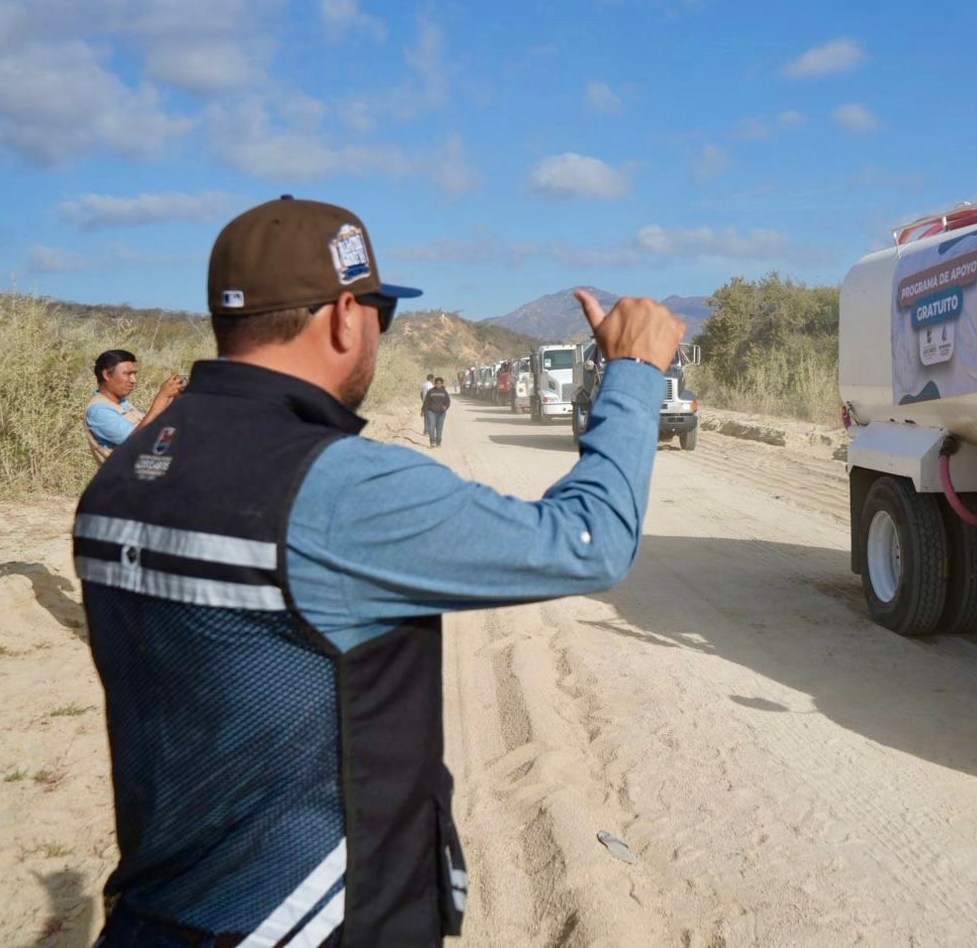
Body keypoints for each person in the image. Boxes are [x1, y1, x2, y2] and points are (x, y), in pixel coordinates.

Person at [75, 196, 684, 945]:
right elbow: (590, 540)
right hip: (316, 921)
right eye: (379, 316)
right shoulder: (337, 485)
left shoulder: (127, 469)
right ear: (341, 316)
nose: (376, 334)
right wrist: (634, 373)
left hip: (152, 912)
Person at [85, 349, 184, 463]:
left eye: (134, 374)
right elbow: (138, 442)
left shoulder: (122, 404)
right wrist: (163, 397)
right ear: (107, 374)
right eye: (127, 374)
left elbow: (160, 434)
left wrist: (177, 398)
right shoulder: (98, 410)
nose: (133, 380)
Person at [423, 375, 451, 446]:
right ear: (434, 383)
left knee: (439, 428)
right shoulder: (430, 391)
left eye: (440, 383)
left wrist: (446, 407)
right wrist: (423, 410)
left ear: (442, 384)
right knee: (431, 426)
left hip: (441, 413)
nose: (438, 384)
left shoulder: (444, 392)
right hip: (431, 412)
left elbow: (448, 401)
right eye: (437, 383)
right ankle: (432, 441)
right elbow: (426, 402)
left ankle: (438, 442)